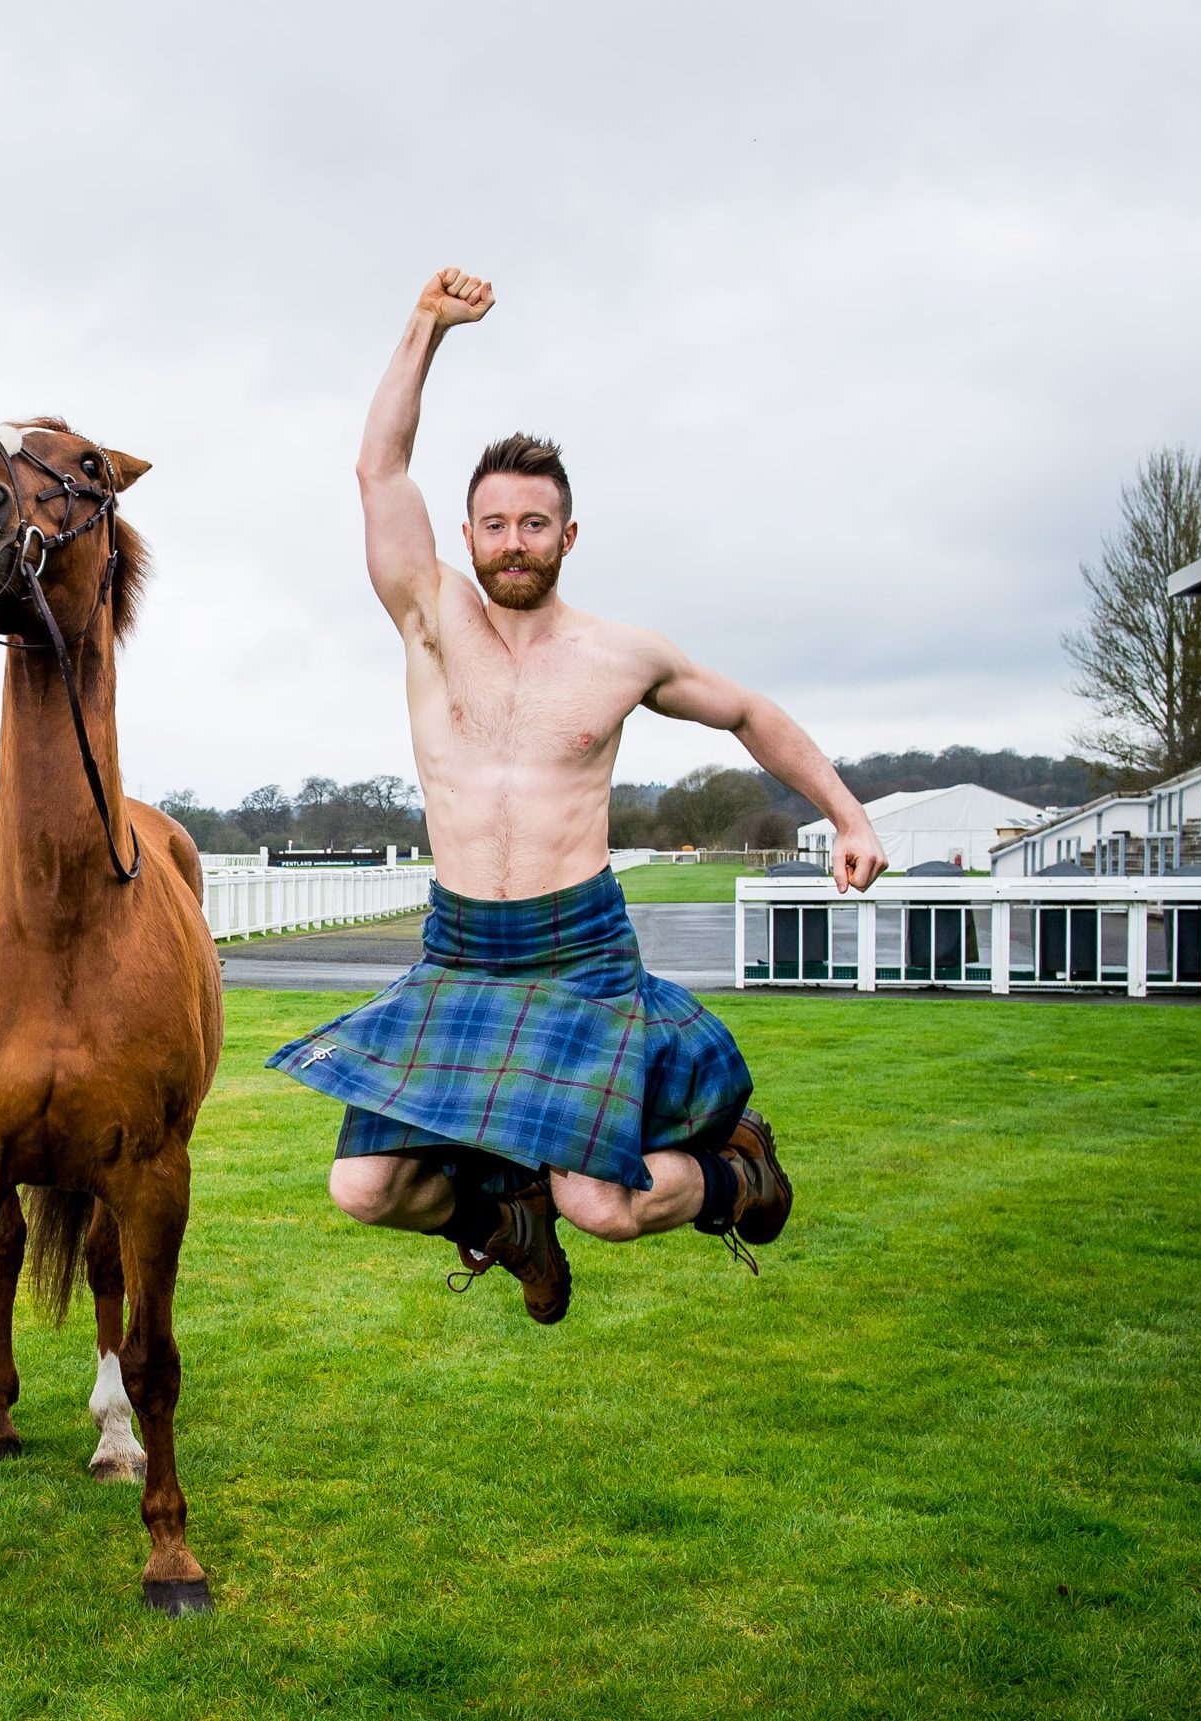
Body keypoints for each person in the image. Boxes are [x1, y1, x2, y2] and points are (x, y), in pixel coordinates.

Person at [270, 267, 886, 1322]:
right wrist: (424, 327)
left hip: (579, 951)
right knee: (365, 1185)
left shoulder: (619, 655)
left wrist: (848, 811)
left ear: (568, 534)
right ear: (464, 537)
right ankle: (503, 1219)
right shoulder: (428, 617)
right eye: (495, 523)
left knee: (600, 1202)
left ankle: (737, 1171)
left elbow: (744, 711)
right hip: (462, 948)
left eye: (535, 523)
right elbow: (379, 467)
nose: (514, 540)